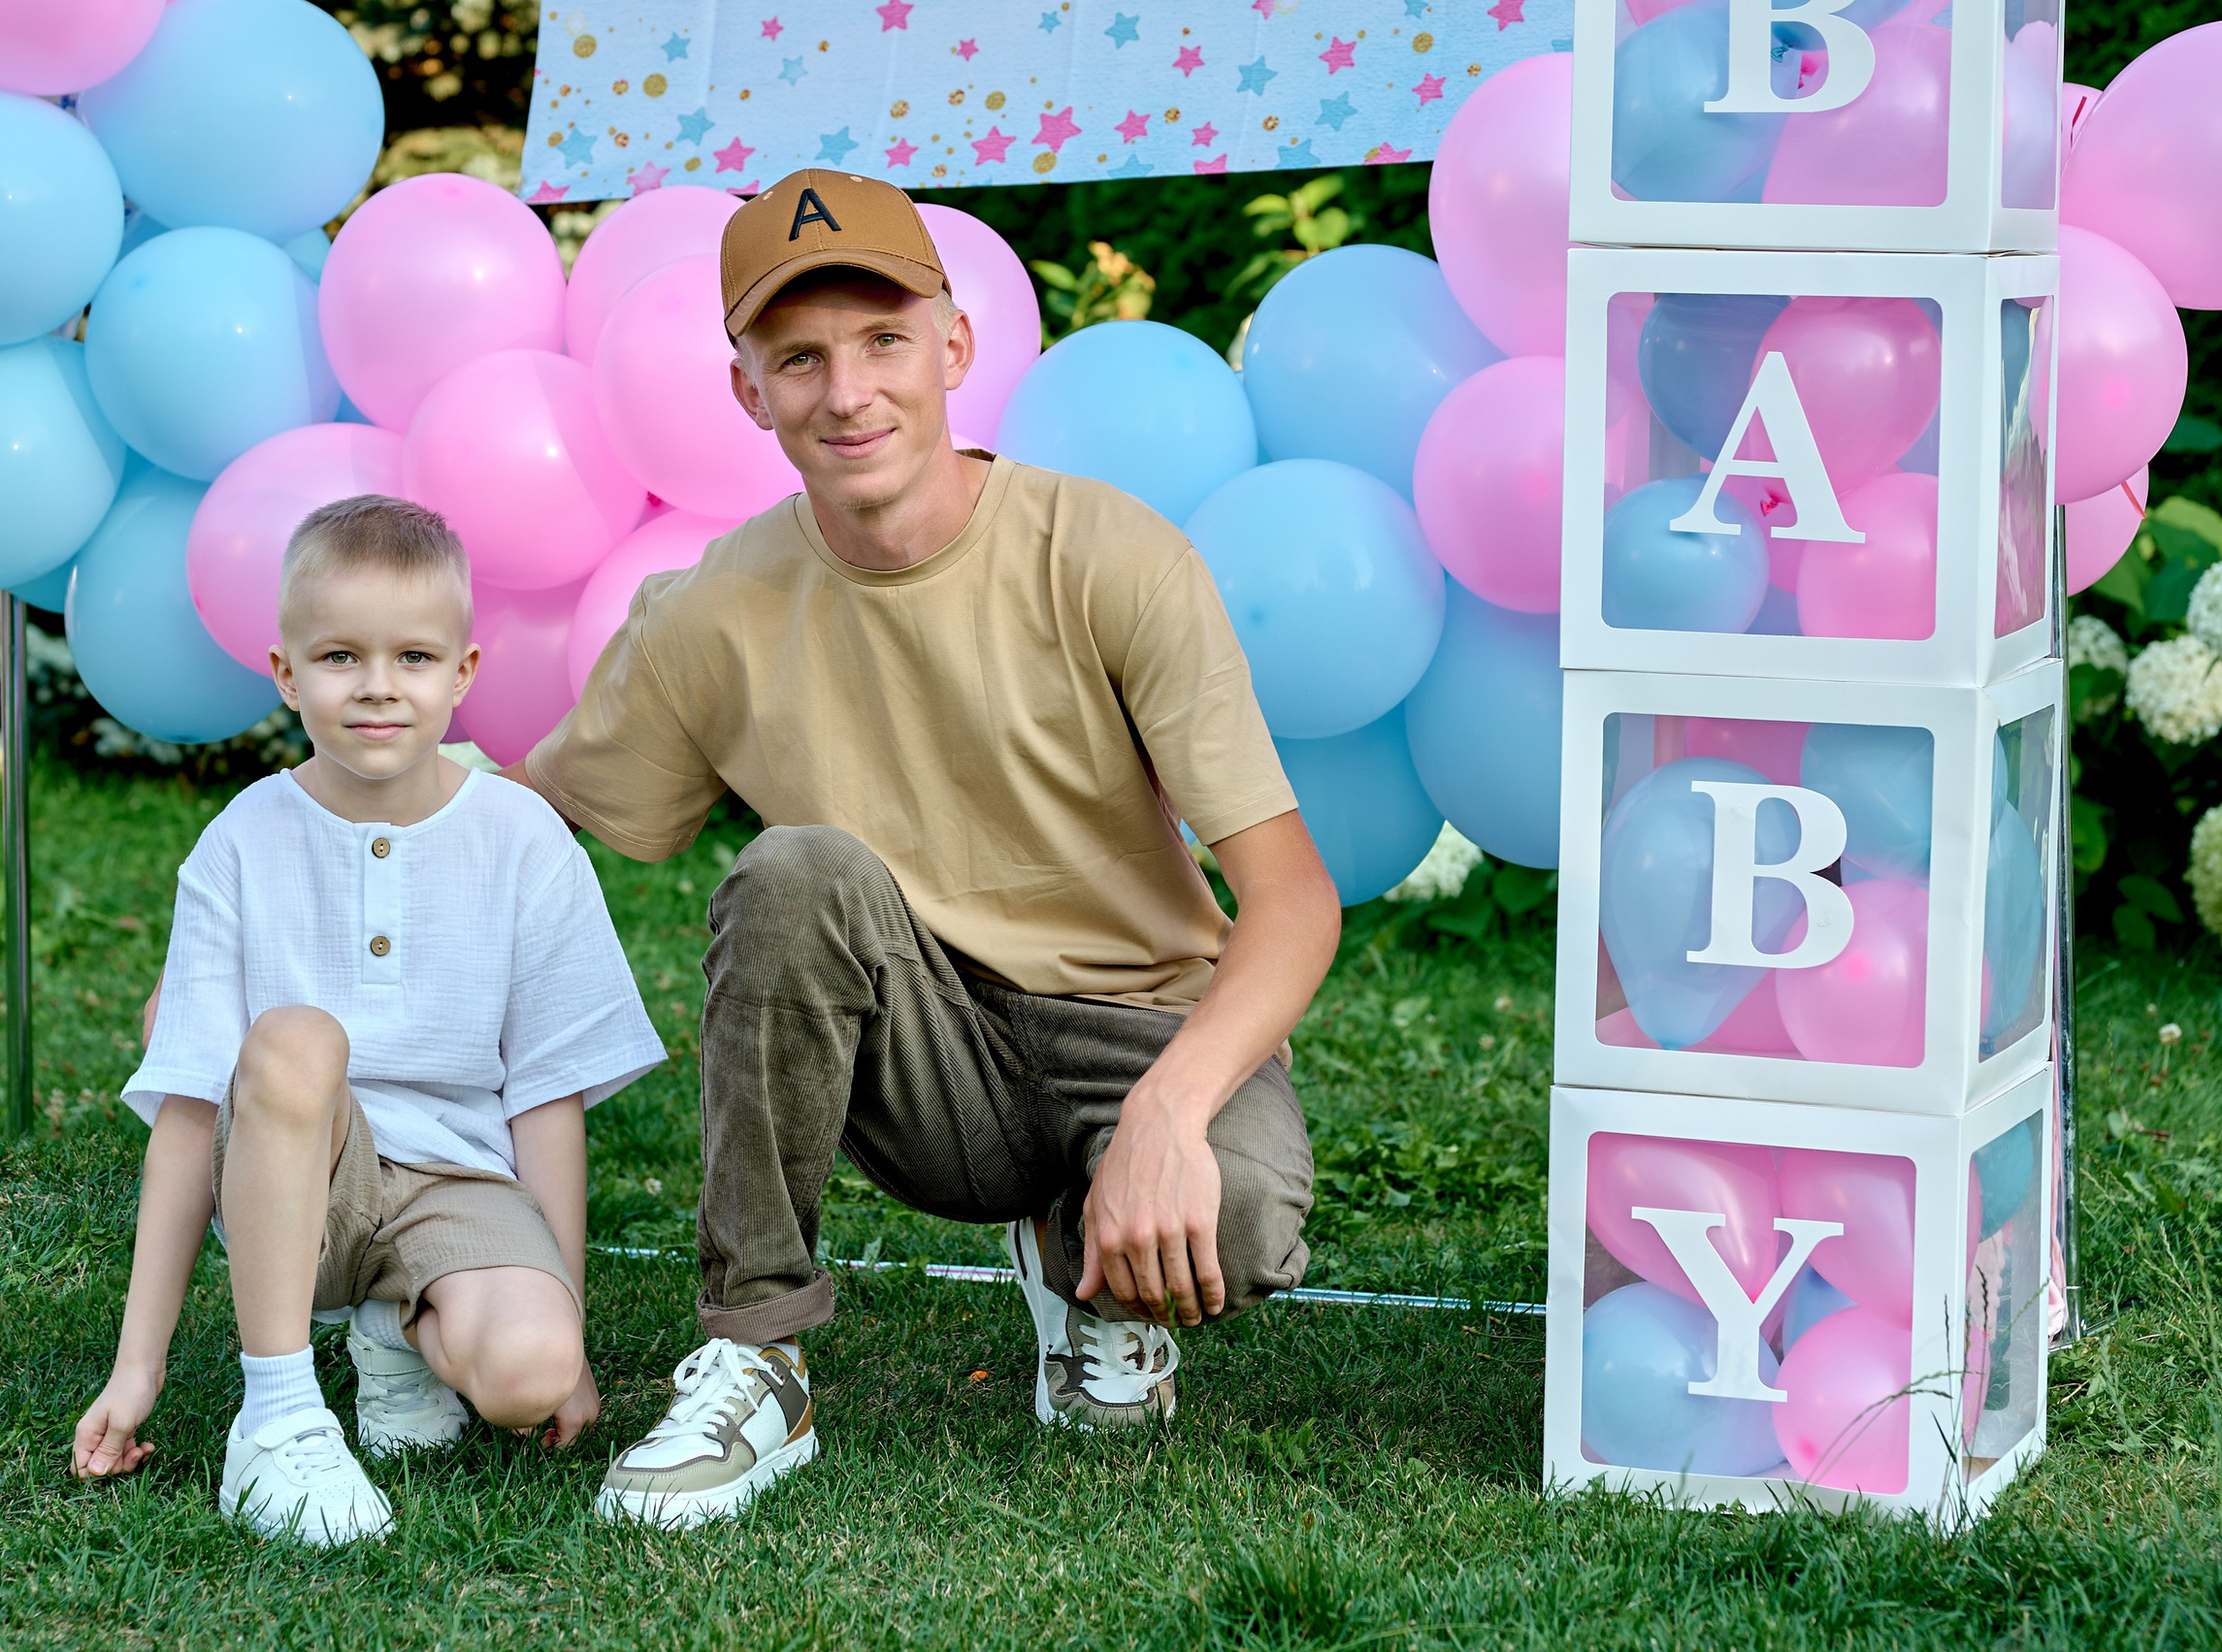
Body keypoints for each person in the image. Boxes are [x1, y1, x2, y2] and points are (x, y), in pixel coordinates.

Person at [510, 169, 1340, 1531]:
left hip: (1136, 1024)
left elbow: (1295, 901)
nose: (849, 392)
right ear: (750, 393)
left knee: (1240, 1215)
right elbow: (527, 819)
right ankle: (755, 1356)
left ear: (954, 346)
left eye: (884, 340)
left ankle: (1085, 1265)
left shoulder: (1109, 555)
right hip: (926, 1054)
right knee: (793, 873)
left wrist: (1170, 1111)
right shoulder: (711, 612)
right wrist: (293, 897)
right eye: (800, 358)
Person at [71, 496, 664, 1545]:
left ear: (464, 673)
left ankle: (395, 1325)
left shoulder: (524, 839)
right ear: (288, 673)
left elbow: (546, 1091)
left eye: (414, 656)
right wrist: (137, 1363)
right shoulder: (242, 840)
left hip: (456, 1182)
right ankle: (282, 1410)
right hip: (294, 1186)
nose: (379, 685)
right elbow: (190, 1106)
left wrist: (568, 1323)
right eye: (340, 656)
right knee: (299, 1035)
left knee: (529, 1369)